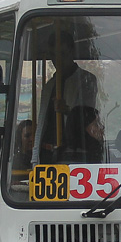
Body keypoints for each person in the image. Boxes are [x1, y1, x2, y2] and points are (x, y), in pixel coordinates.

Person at [33, 31, 98, 164]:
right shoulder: (50, 85)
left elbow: (87, 118)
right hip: (46, 153)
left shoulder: (86, 80)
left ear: (72, 52)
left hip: (72, 154)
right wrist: (35, 157)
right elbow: (42, 122)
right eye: (53, 55)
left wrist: (68, 110)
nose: (57, 60)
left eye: (62, 54)